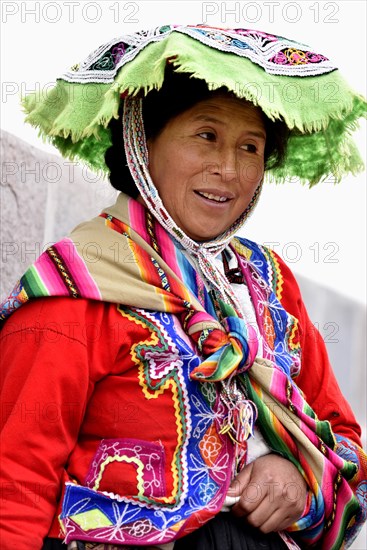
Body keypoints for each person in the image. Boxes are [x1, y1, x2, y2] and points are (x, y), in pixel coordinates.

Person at [0, 24, 366, 550]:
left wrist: (299, 483)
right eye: (205, 135)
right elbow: (14, 482)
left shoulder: (270, 287)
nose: (228, 169)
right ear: (141, 142)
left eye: (250, 146)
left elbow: (344, 441)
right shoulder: (77, 290)